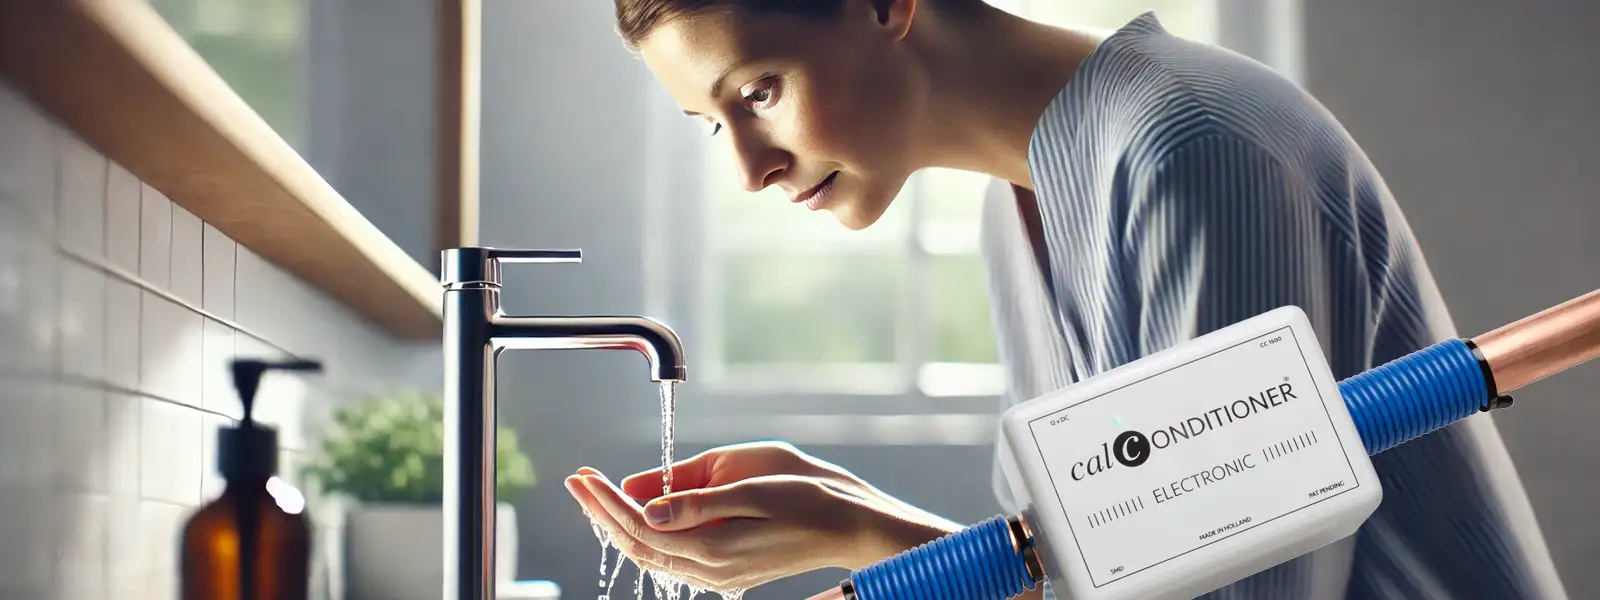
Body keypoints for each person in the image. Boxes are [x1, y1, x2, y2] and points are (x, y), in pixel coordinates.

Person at [564, 1, 1570, 598]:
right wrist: (850, 517)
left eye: (759, 91)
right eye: (712, 124)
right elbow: (1112, 566)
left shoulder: (1191, 150)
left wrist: (880, 548)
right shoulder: (1022, 214)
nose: (748, 170)